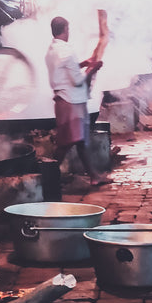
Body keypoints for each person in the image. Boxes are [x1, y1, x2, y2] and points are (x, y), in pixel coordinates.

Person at [45, 16, 108, 188]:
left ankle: (94, 176)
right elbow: (78, 81)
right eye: (68, 29)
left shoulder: (52, 50)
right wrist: (93, 68)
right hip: (71, 101)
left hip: (65, 99)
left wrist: (83, 63)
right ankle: (47, 176)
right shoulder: (66, 51)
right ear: (65, 29)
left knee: (80, 141)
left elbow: (63, 71)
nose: (69, 32)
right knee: (66, 143)